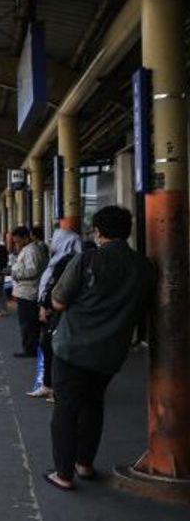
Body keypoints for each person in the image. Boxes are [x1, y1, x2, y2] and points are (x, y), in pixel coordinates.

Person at [45, 206, 154, 491]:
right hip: (110, 352)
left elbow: (58, 300)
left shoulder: (87, 260)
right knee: (93, 404)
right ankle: (84, 464)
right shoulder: (143, 266)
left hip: (72, 349)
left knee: (66, 409)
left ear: (98, 232)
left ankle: (63, 474)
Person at [30, 229, 81, 398]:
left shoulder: (67, 262)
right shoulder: (63, 259)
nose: (52, 242)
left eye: (55, 239)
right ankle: (47, 384)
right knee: (48, 346)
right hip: (58, 310)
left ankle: (55, 389)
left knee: (52, 347)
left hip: (58, 311)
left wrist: (45, 307)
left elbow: (56, 288)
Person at [10, 226, 48, 358]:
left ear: (26, 238)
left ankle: (30, 349)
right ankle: (31, 347)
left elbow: (33, 270)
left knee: (28, 323)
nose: (16, 244)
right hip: (27, 291)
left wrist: (15, 273)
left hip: (28, 292)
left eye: (18, 241)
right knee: (29, 323)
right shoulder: (29, 249)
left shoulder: (31, 250)